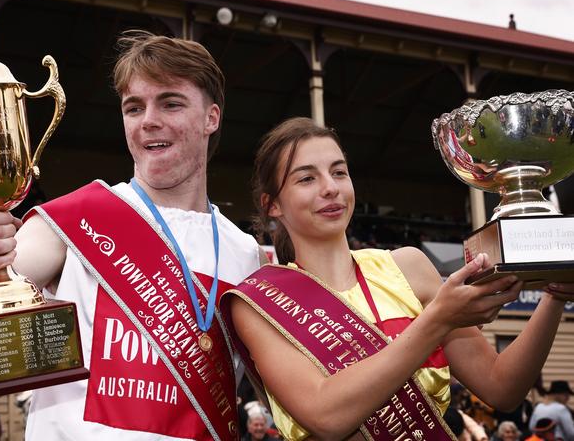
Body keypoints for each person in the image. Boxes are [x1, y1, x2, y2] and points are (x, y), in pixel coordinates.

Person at [0, 31, 262, 440]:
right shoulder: (72, 221)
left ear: (212, 117)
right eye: (134, 107)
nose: (149, 120)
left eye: (170, 103)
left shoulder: (248, 255)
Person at [223, 117, 574, 441]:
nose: (330, 188)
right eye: (306, 178)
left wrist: (556, 295)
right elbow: (326, 416)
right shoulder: (260, 303)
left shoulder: (409, 267)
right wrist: (438, 320)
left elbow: (502, 387)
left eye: (339, 172)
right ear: (273, 205)